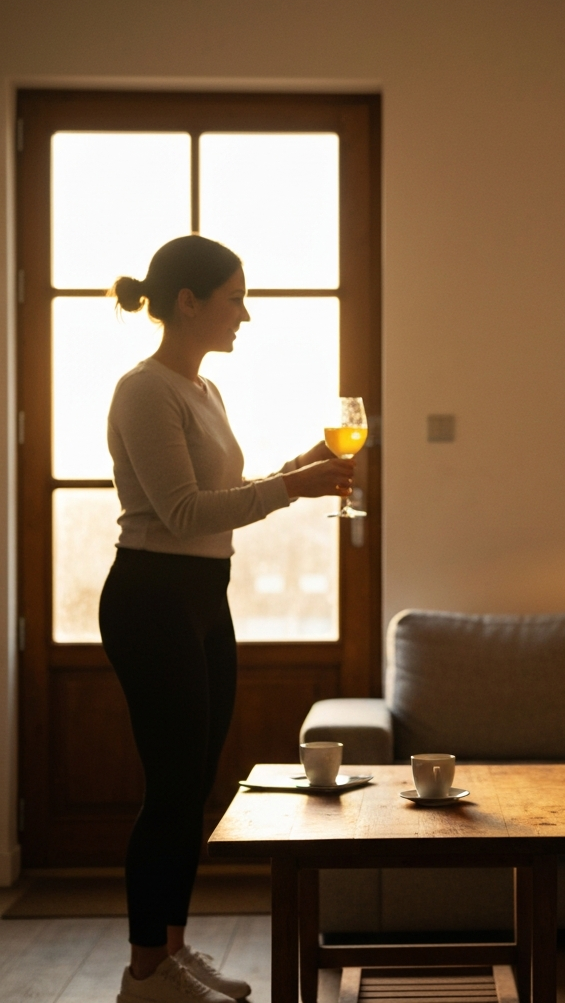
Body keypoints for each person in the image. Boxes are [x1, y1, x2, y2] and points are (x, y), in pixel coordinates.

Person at [102, 235, 355, 1003]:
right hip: (151, 598)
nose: (245, 313)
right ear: (190, 302)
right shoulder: (144, 390)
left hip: (203, 598)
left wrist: (295, 469)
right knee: (171, 787)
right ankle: (145, 971)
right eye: (235, 297)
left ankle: (171, 954)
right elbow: (181, 514)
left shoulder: (203, 392)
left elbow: (220, 500)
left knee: (196, 786)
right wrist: (296, 489)